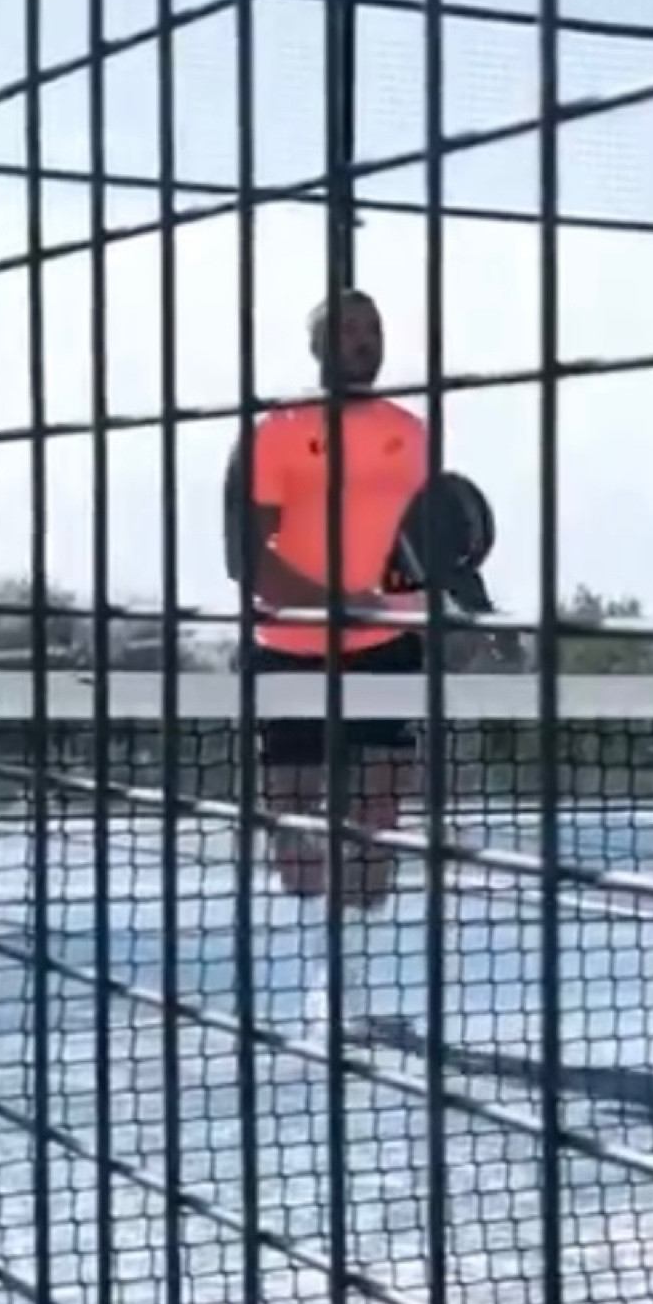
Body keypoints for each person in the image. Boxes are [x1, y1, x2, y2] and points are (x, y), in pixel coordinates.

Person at [223, 289, 429, 908]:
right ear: (316, 345)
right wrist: (337, 604)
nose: (364, 341)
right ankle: (315, 955)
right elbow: (246, 558)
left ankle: (360, 958)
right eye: (347, 330)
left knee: (376, 831)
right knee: (295, 845)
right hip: (290, 655)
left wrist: (448, 611)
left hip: (387, 655)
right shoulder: (275, 432)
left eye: (373, 329)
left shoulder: (411, 433)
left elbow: (427, 541)